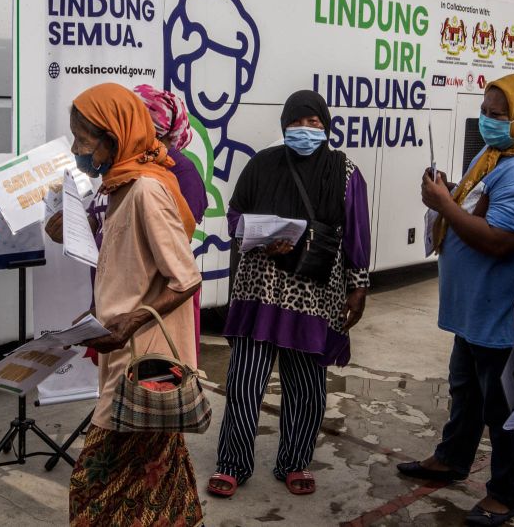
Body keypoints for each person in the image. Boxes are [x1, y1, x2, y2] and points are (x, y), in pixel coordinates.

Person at [398, 73, 514, 525]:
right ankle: (452, 458)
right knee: (466, 393)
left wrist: (443, 204)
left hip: (500, 314)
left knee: (503, 407)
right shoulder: (498, 156)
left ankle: (505, 493)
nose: (487, 120)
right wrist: (453, 192)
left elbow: (501, 240)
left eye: (498, 115)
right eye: (485, 112)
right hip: (475, 311)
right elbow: (479, 210)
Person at [208, 90, 370, 498]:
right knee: (245, 381)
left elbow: (356, 232)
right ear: (284, 126)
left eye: (314, 123)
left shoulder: (344, 171)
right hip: (259, 288)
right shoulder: (262, 164)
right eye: (297, 123)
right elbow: (233, 215)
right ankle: (232, 464)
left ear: (327, 126)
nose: (306, 130)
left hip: (313, 294)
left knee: (307, 386)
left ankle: (295, 461)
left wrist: (358, 286)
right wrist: (260, 236)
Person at [66, 83, 204, 527]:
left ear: (114, 136)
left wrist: (130, 321)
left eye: (83, 138)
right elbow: (128, 272)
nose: (76, 149)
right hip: (127, 357)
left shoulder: (146, 190)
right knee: (154, 481)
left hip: (146, 363)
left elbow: (186, 277)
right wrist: (95, 318)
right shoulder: (120, 185)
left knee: (93, 485)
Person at [134, 84, 207, 354]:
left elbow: (175, 240)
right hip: (132, 295)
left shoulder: (182, 171)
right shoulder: (129, 165)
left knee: (156, 382)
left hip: (159, 300)